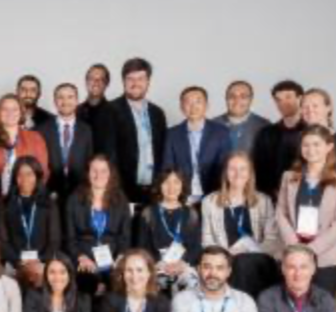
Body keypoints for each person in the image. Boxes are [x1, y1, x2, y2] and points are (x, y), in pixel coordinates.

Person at [201, 152, 282, 297]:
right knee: (238, 264)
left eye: (243, 169)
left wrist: (253, 251)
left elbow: (273, 239)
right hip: (226, 259)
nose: (238, 173)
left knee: (245, 263)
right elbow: (207, 239)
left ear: (250, 173)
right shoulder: (209, 202)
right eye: (232, 168)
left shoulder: (264, 200)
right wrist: (226, 255)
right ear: (225, 173)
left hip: (259, 260)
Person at [277, 126, 336, 294]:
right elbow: (281, 213)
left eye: (316, 144)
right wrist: (295, 247)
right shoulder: (289, 176)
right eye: (306, 145)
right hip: (292, 252)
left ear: (329, 147)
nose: (311, 150)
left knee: (321, 306)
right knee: (292, 305)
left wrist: (311, 250)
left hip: (326, 256)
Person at [104, 58, 168, 206]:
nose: (135, 83)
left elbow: (162, 152)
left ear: (148, 81)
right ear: (123, 81)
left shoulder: (157, 113)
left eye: (140, 78)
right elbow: (109, 154)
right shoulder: (109, 110)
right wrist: (115, 189)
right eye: (130, 79)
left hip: (154, 190)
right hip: (122, 190)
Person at [65, 155, 132, 294]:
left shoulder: (120, 199)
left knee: (119, 283)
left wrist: (119, 258)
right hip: (84, 258)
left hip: (112, 258)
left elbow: (125, 236)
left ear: (110, 173)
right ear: (87, 173)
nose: (98, 175)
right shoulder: (74, 199)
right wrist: (81, 257)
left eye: (103, 171)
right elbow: (69, 238)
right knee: (86, 283)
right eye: (94, 170)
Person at [0, 156, 61, 290]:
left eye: (29, 174)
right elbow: (2, 241)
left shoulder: (49, 204)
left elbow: (55, 240)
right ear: (14, 178)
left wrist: (40, 261)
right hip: (15, 263)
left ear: (37, 176)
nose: (24, 179)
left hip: (42, 262)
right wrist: (18, 261)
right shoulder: (4, 204)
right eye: (19, 174)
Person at [0, 94, 49, 206]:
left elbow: (43, 173)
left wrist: (30, 196)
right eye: (5, 109)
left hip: (29, 202)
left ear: (21, 112)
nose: (10, 113)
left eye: (14, 109)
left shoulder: (35, 138)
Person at [136, 169, 202, 294]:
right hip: (156, 265)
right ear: (159, 186)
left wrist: (183, 263)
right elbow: (141, 246)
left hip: (183, 265)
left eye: (176, 182)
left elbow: (196, 246)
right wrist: (158, 263)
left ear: (182, 185)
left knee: (194, 282)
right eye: (166, 182)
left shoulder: (191, 214)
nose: (171, 187)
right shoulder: (148, 213)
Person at [162, 86, 232, 202]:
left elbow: (225, 166)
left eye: (198, 101)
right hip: (181, 195)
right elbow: (167, 167)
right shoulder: (171, 134)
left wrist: (222, 194)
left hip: (214, 194)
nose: (193, 107)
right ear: (181, 107)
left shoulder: (221, 132)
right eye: (188, 102)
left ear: (206, 105)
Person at [40, 82, 94, 205]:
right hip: (50, 195)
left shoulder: (86, 130)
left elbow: (89, 162)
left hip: (79, 195)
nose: (65, 102)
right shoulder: (42, 130)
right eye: (60, 97)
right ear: (55, 101)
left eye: (70, 97)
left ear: (77, 100)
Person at [253, 80, 305, 199]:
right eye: (278, 99)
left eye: (288, 97)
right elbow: (259, 169)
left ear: (300, 98)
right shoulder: (265, 133)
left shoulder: (310, 132)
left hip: (305, 197)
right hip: (271, 198)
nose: (283, 103)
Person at [214, 80, 270, 157]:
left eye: (243, 96)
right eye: (232, 96)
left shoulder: (264, 127)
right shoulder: (213, 125)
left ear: (251, 99)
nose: (237, 101)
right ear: (226, 99)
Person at [76, 64, 113, 152]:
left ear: (106, 83)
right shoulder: (75, 112)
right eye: (92, 78)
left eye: (101, 79)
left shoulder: (115, 113)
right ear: (86, 82)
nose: (96, 82)